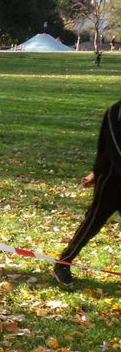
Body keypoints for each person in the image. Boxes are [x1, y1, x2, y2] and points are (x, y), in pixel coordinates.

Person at [53, 100, 121, 286]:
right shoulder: (116, 111)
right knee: (93, 222)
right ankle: (63, 263)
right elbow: (113, 148)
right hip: (111, 180)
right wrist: (97, 171)